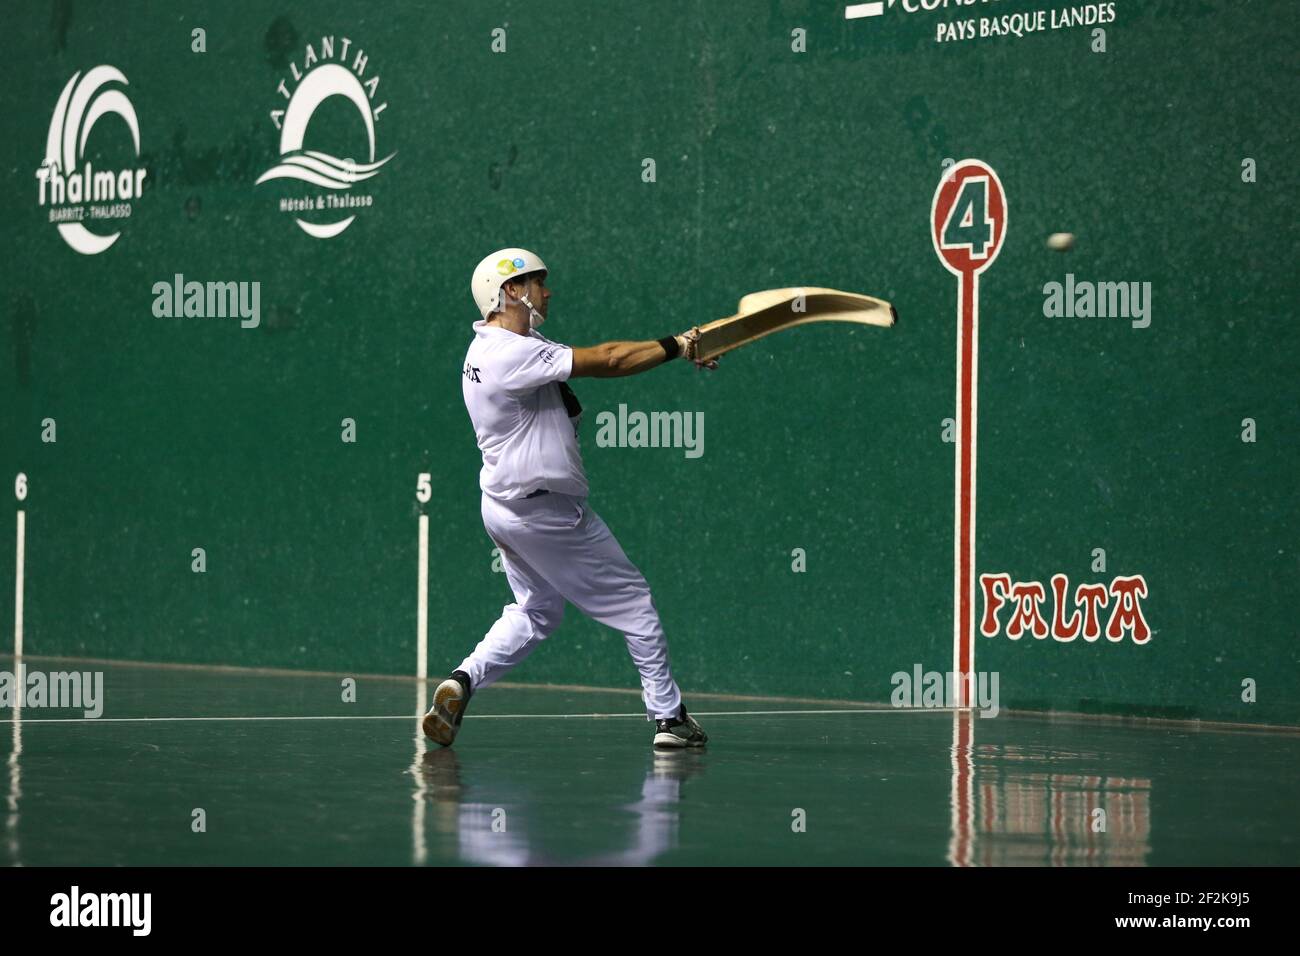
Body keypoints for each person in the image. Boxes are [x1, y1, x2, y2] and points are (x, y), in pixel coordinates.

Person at [422, 247, 718, 750]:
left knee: (538, 610)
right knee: (635, 604)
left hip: (503, 506)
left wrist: (688, 347)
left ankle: (463, 680)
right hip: (546, 513)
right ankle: (668, 718)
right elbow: (610, 359)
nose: (548, 290)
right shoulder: (507, 354)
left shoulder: (500, 346)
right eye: (539, 282)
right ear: (511, 290)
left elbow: (569, 386)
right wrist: (677, 346)